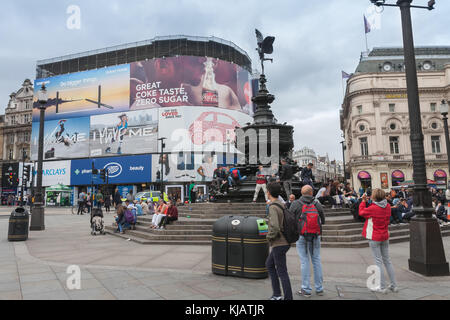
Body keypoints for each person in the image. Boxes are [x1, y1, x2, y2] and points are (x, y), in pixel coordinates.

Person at [359, 189, 398, 293]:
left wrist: (363, 201)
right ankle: (394, 285)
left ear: (374, 197)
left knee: (378, 262)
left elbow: (361, 212)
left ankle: (381, 287)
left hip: (374, 236)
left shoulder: (372, 208)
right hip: (385, 235)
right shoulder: (388, 206)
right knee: (387, 261)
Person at [290, 185, 325, 297]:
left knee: (304, 261)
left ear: (301, 192)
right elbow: (322, 220)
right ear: (312, 193)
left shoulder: (295, 204)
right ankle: (319, 288)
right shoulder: (317, 204)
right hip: (315, 235)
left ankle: (306, 289)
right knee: (316, 260)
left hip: (301, 236)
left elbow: (290, 220)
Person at [265, 182, 293, 300]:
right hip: (285, 240)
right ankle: (276, 294)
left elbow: (275, 226)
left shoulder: (273, 207)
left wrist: (269, 237)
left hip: (279, 242)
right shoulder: (281, 204)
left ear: (269, 193)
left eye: (267, 191)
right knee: (269, 264)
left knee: (282, 271)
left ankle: (287, 297)